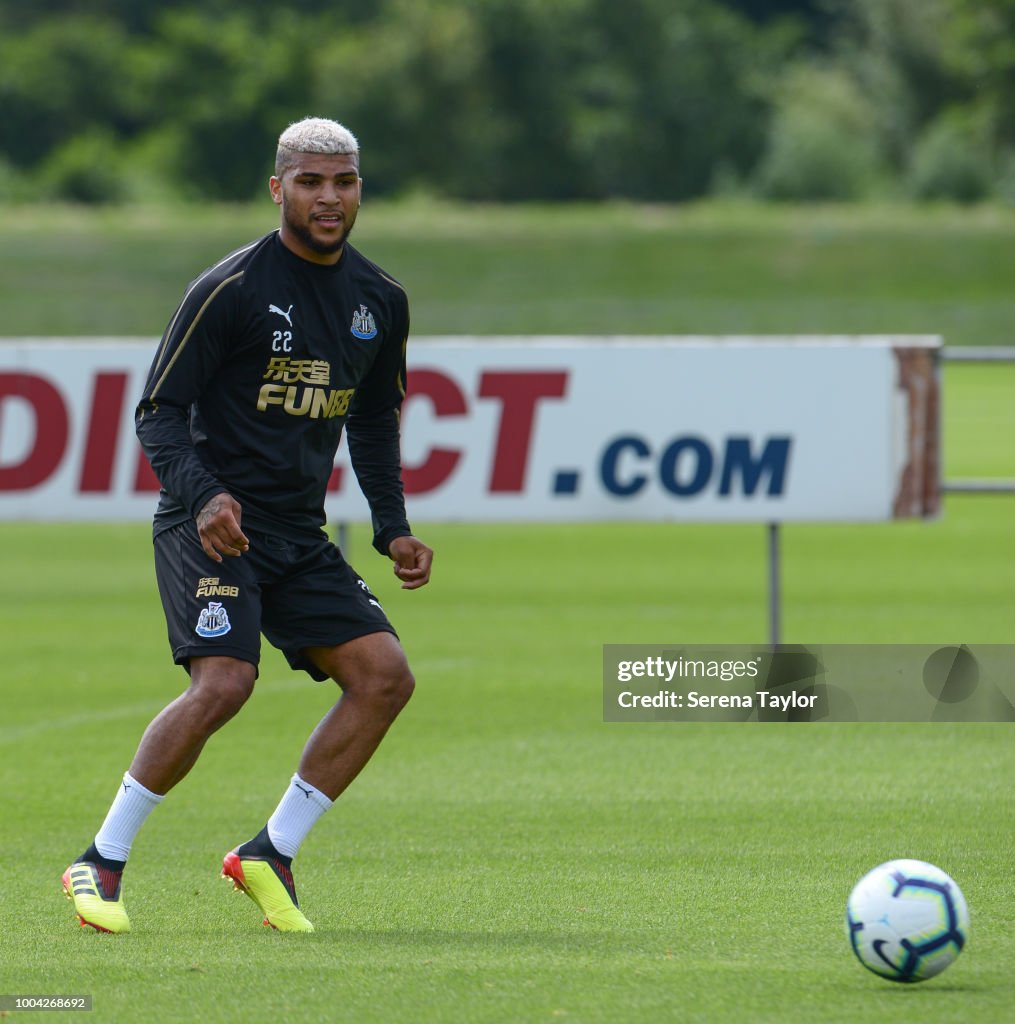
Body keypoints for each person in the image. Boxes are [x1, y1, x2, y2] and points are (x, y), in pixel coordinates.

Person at [62, 116, 432, 934]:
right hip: (211, 524)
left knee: (384, 678)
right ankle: (101, 859)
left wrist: (390, 526)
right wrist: (204, 496)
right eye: (310, 182)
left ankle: (269, 853)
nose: (327, 199)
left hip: (299, 533)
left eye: (342, 183)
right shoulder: (229, 289)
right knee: (225, 683)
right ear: (278, 189)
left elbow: (372, 421)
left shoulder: (380, 301)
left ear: (359, 189)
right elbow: (159, 411)